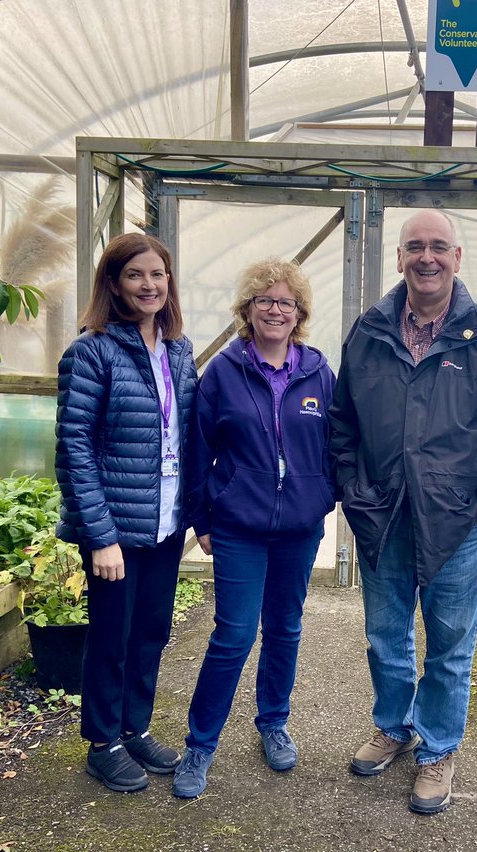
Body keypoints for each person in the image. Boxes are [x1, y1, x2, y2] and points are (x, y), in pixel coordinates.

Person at [329, 209, 477, 815]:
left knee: (450, 642)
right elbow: (342, 423)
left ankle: (438, 748)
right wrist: (352, 488)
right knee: (384, 634)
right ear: (398, 258)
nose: (427, 257)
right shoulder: (369, 331)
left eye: (439, 247)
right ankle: (393, 726)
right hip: (382, 513)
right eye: (415, 247)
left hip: (455, 521)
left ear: (456, 258)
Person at [172, 258, 335, 799]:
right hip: (239, 524)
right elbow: (198, 450)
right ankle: (200, 744)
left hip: (298, 528)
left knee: (285, 628)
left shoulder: (316, 370)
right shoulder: (223, 370)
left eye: (286, 302)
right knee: (234, 634)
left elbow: (337, 444)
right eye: (264, 300)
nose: (275, 309)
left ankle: (273, 722)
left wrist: (321, 496)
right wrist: (202, 519)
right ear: (247, 309)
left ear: (300, 313)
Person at [55, 232, 199, 793]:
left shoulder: (179, 351)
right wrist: (100, 536)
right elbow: (74, 449)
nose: (149, 285)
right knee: (112, 636)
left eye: (157, 275)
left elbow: (190, 434)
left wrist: (197, 514)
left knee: (151, 633)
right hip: (116, 527)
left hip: (164, 523)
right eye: (135, 275)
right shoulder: (91, 352)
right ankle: (102, 742)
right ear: (113, 284)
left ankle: (134, 728)